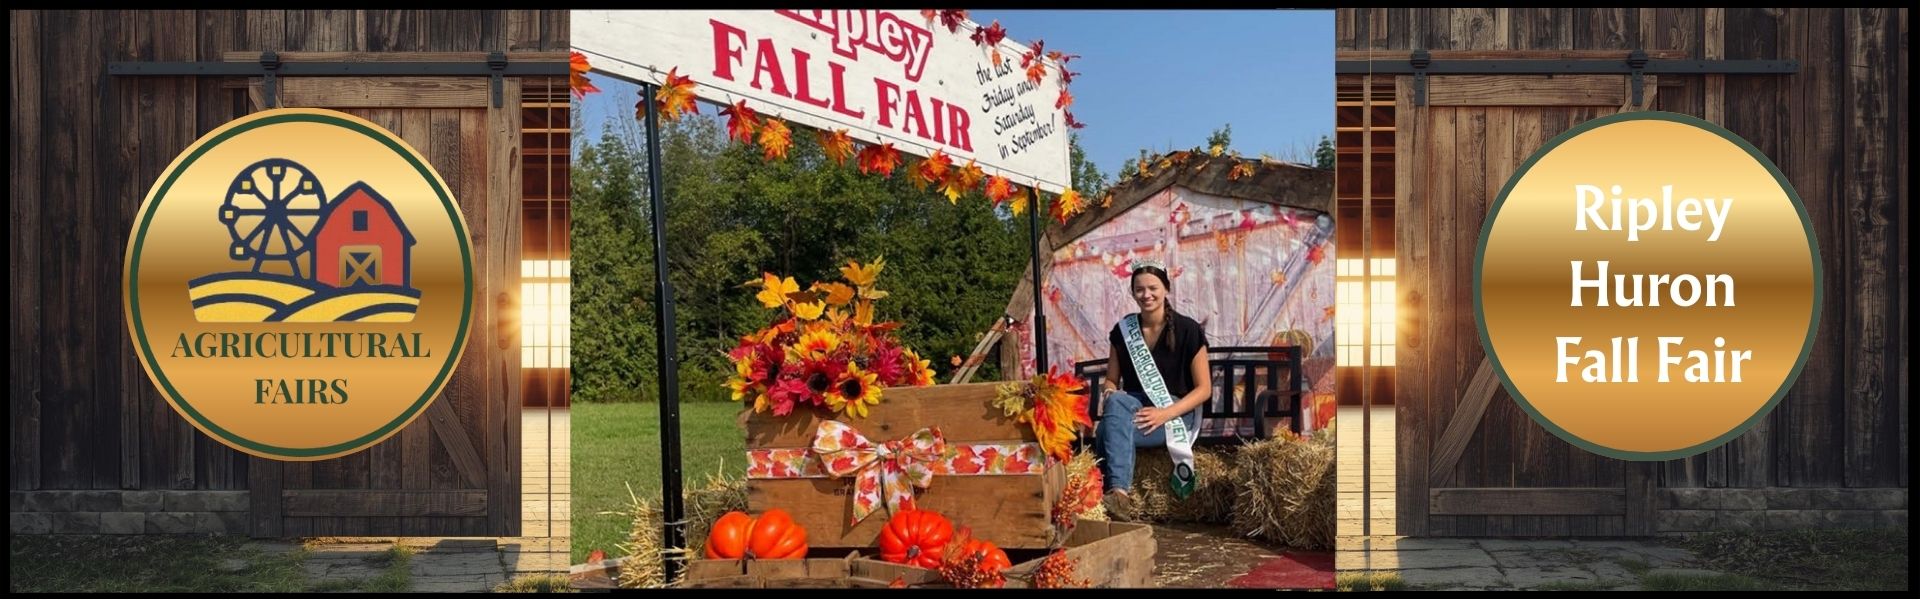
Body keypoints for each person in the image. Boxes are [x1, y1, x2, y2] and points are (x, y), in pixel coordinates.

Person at [1095, 263, 1211, 521]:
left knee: (1105, 431)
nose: (1146, 295)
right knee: (1116, 401)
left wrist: (1164, 414)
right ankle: (1119, 494)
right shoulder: (1123, 331)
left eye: (1152, 288)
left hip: (1176, 411)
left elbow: (1204, 389)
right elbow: (1112, 380)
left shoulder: (1188, 330)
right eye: (1139, 290)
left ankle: (1114, 493)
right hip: (1135, 410)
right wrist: (1109, 392)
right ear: (1132, 293)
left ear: (1166, 289)